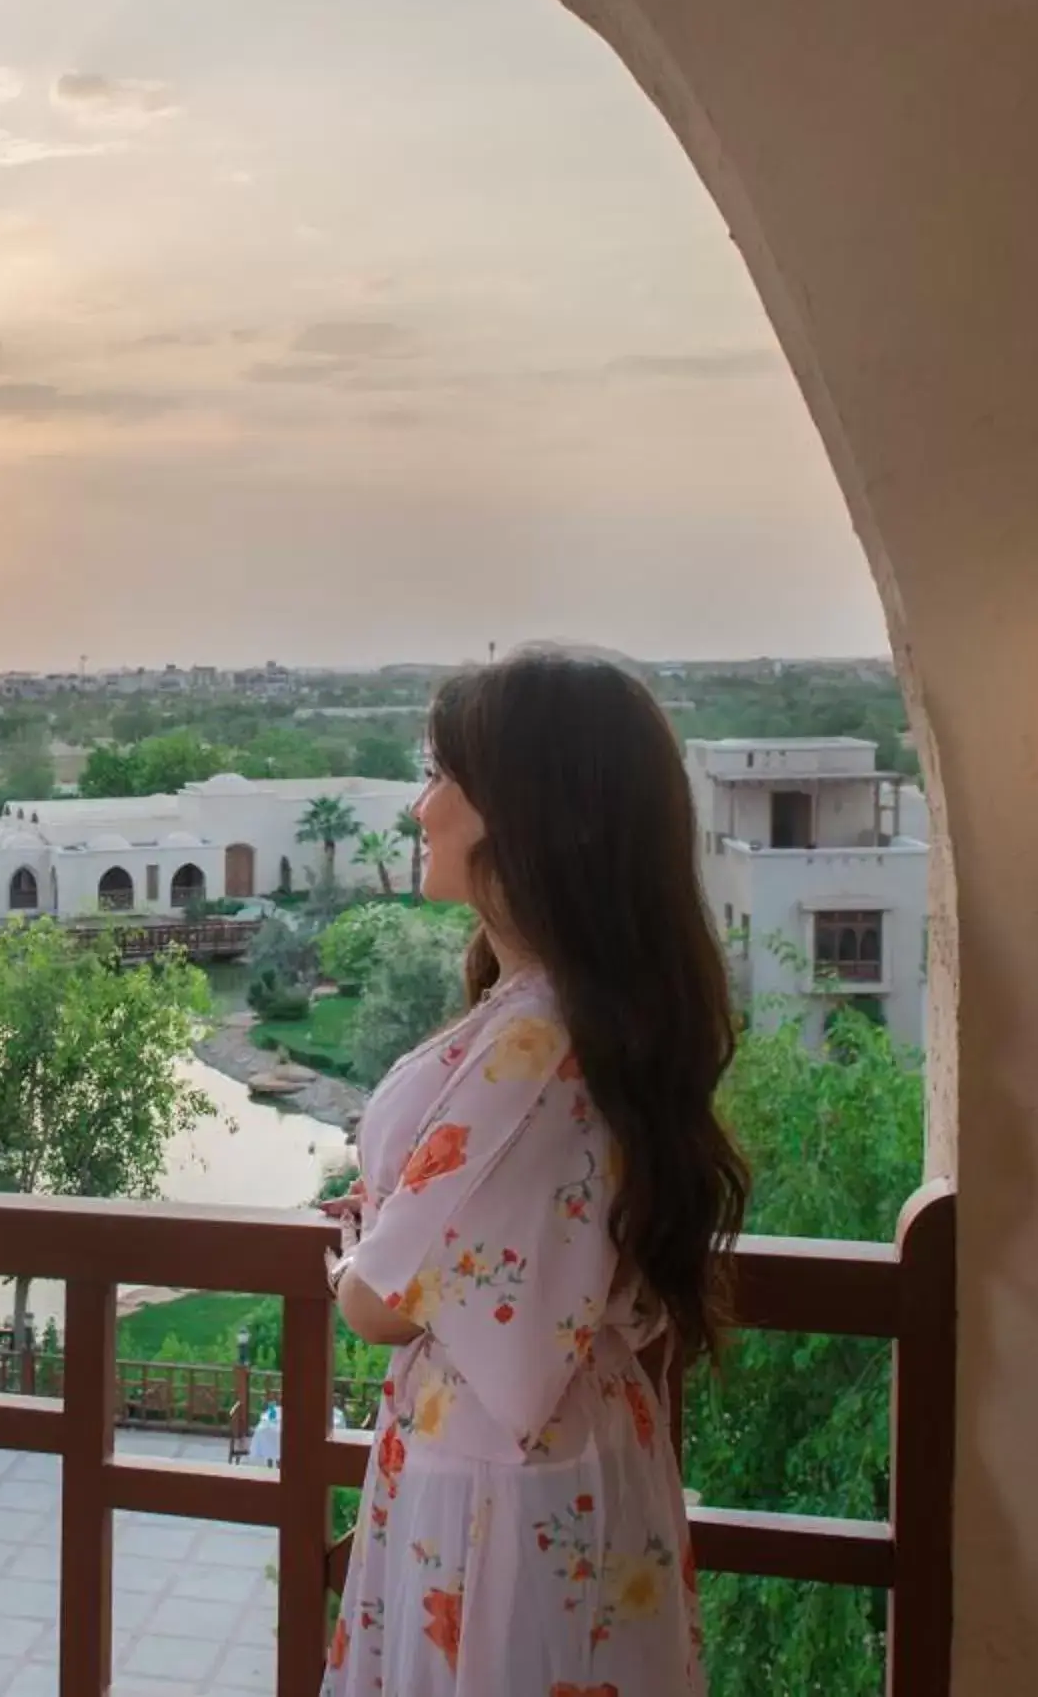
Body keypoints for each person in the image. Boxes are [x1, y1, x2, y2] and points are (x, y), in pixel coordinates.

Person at [323, 650, 749, 1697]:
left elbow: (380, 1304)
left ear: (530, 812)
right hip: (559, 1453)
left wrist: (349, 1254)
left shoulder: (534, 1045)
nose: (422, 809)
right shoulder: (574, 1017)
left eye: (443, 778)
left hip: (500, 1484)